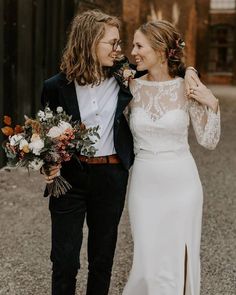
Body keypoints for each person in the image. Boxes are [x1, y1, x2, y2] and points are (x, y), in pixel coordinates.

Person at [40, 10, 200, 295]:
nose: (119, 50)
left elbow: (168, 63)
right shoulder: (55, 87)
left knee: (102, 260)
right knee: (64, 260)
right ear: (89, 42)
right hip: (70, 180)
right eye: (112, 43)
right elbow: (46, 135)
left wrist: (191, 73)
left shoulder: (124, 74)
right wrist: (47, 164)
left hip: (111, 176)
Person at [122, 20, 220, 295]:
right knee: (147, 260)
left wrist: (212, 104)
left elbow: (208, 140)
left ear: (161, 49)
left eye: (139, 45)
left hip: (182, 183)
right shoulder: (129, 86)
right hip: (144, 182)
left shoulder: (186, 88)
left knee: (179, 257)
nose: (133, 52)